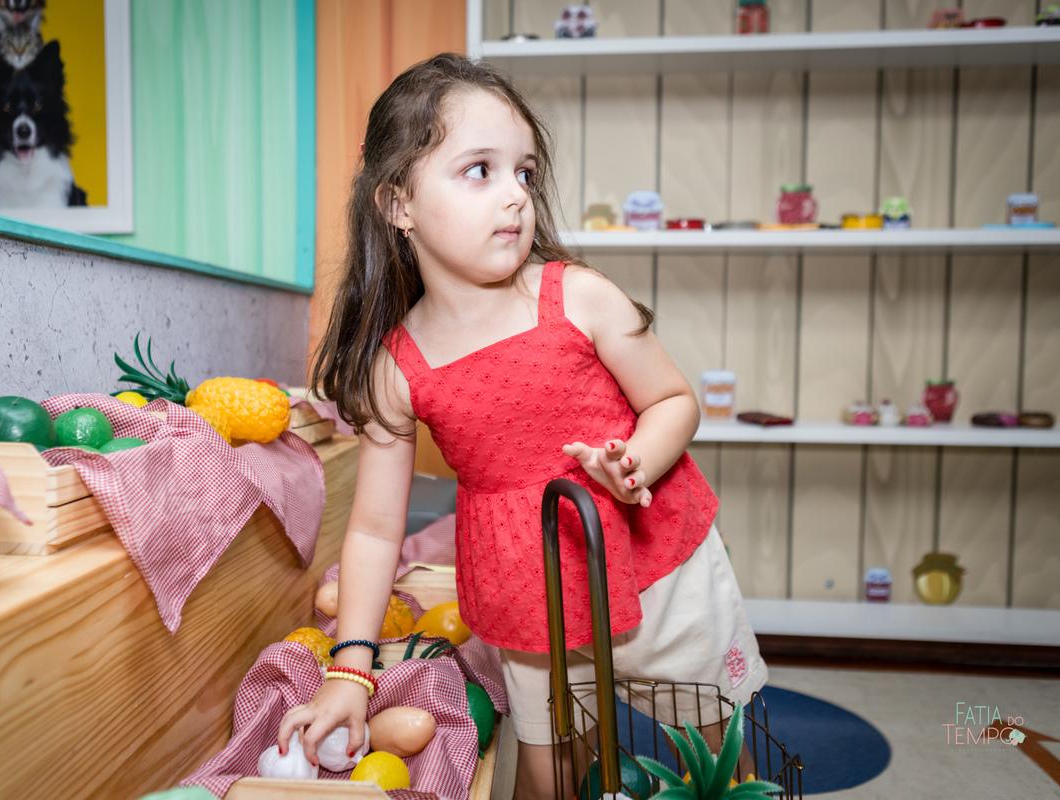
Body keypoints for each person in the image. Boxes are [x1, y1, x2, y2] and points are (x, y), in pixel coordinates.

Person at [278, 52, 768, 798]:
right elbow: (376, 530)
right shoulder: (398, 367)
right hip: (528, 591)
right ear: (398, 204)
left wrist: (635, 459)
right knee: (550, 779)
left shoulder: (581, 297)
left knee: (721, 764)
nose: (514, 195)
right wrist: (350, 669)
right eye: (480, 170)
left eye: (525, 173)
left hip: (660, 564)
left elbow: (674, 402)